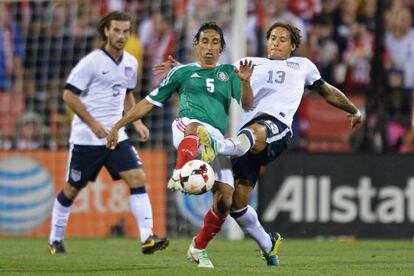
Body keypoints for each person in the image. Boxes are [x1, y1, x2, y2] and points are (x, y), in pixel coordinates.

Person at [155, 22, 363, 266]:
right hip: (246, 137)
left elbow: (327, 91)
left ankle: (215, 144)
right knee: (233, 203)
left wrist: (353, 110)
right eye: (273, 37)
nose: (276, 42)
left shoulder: (303, 66)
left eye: (283, 39)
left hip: (276, 128)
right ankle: (266, 244)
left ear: (293, 46)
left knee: (254, 132)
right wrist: (183, 70)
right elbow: (210, 73)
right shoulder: (247, 64)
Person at [106, 22, 254, 268]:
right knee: (195, 128)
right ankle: (181, 172)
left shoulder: (230, 73)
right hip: (187, 127)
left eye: (215, 42)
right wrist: (118, 124)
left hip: (216, 140)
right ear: (196, 45)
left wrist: (246, 82)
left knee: (225, 200)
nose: (209, 47)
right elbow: (148, 102)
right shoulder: (181, 73)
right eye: (204, 41)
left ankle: (198, 248)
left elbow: (248, 106)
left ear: (221, 48)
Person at [48, 11, 169, 256]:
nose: (121, 36)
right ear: (106, 31)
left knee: (138, 178)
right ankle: (55, 240)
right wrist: (92, 123)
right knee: (72, 188)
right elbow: (68, 95)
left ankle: (147, 237)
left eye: (126, 31)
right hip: (87, 138)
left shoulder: (130, 63)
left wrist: (136, 123)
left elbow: (127, 94)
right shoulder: (91, 62)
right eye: (117, 30)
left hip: (116, 135)